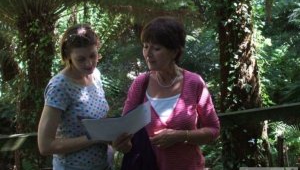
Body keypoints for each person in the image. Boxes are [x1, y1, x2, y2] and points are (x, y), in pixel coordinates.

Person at [120, 16, 220, 170]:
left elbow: (213, 130)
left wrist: (181, 136)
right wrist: (121, 143)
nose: (148, 54)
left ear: (174, 52)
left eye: (156, 48)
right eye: (145, 46)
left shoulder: (194, 83)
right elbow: (124, 130)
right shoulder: (140, 84)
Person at [38, 24, 112, 170]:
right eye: (81, 59)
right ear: (68, 57)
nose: (89, 63)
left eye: (93, 55)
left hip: (104, 164)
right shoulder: (59, 86)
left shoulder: (95, 76)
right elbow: (45, 145)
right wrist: (94, 138)